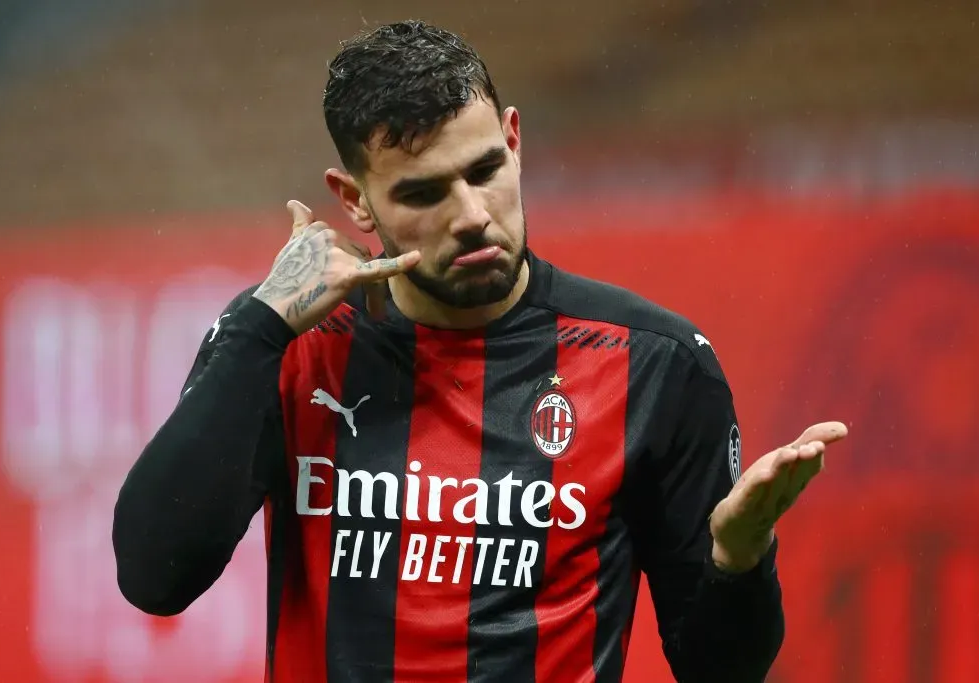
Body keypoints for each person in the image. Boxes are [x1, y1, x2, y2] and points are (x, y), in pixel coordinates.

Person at [112, 19, 848, 683]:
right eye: (424, 193)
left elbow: (720, 669)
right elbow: (154, 576)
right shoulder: (289, 350)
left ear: (515, 139)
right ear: (355, 199)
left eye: (485, 171)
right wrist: (260, 320)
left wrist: (739, 560)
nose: (470, 215)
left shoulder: (657, 363)